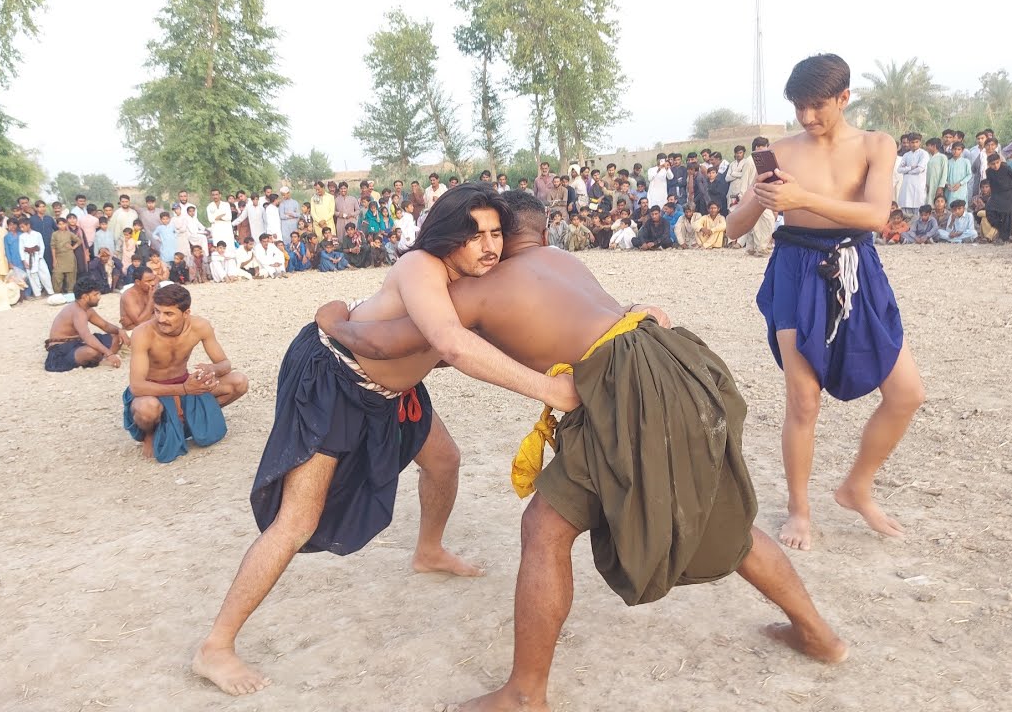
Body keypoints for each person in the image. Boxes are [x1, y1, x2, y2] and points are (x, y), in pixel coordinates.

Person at [316, 190, 847, 711]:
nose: (487, 248)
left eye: (494, 235)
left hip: (626, 390)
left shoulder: (478, 290)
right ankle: (819, 634)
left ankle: (525, 695)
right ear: (544, 231)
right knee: (707, 509)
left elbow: (391, 344)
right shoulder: (563, 259)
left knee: (546, 530)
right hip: (670, 365)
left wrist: (333, 320)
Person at [191, 185, 579, 697]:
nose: (488, 246)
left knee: (444, 460)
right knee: (297, 520)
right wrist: (550, 390)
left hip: (392, 391)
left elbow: (534, 329)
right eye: (474, 234)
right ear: (447, 236)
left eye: (495, 234)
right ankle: (215, 646)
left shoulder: (484, 280)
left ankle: (429, 550)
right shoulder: (423, 266)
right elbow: (450, 344)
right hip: (334, 377)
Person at [725, 53, 924, 551]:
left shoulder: (877, 144)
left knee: (906, 394)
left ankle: (856, 486)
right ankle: (799, 509)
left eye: (818, 106)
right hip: (795, 270)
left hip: (857, 269)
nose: (808, 118)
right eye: (799, 107)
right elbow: (734, 227)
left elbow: (877, 214)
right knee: (803, 399)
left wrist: (803, 200)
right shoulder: (779, 153)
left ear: (843, 98)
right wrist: (762, 195)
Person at [123, 284, 249, 463]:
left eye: (169, 314)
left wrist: (212, 370)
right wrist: (184, 388)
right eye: (157, 311)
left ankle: (189, 422)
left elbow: (225, 364)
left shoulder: (200, 326)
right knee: (147, 409)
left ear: (186, 313)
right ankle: (149, 433)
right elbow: (137, 386)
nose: (161, 319)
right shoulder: (142, 333)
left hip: (186, 386)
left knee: (239, 381)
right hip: (153, 391)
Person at [44, 277, 128, 372]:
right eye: (95, 294)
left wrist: (120, 330)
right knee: (91, 352)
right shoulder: (77, 311)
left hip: (79, 342)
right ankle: (103, 357)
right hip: (62, 348)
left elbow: (105, 325)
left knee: (117, 337)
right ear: (85, 297)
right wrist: (109, 353)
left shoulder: (87, 309)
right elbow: (86, 336)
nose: (99, 297)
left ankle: (102, 358)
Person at [50, 217, 80, 294]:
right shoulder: (54, 234)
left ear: (66, 224)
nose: (62, 226)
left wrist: (73, 247)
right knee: (57, 275)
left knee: (71, 276)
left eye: (63, 224)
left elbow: (79, 241)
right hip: (59, 257)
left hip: (69, 256)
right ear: (57, 225)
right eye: (59, 224)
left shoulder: (69, 233)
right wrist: (54, 259)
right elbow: (53, 247)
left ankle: (70, 292)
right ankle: (57, 293)